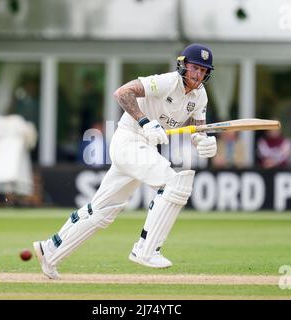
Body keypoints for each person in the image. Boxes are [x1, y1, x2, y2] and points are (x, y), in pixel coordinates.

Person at [32, 43, 217, 279]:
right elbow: (122, 92)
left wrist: (203, 142)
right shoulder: (166, 82)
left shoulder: (200, 95)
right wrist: (145, 122)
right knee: (175, 182)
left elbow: (199, 129)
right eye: (194, 68)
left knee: (103, 210)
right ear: (183, 66)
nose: (198, 75)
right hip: (129, 140)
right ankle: (146, 249)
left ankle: (50, 250)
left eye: (203, 71)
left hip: (143, 146)